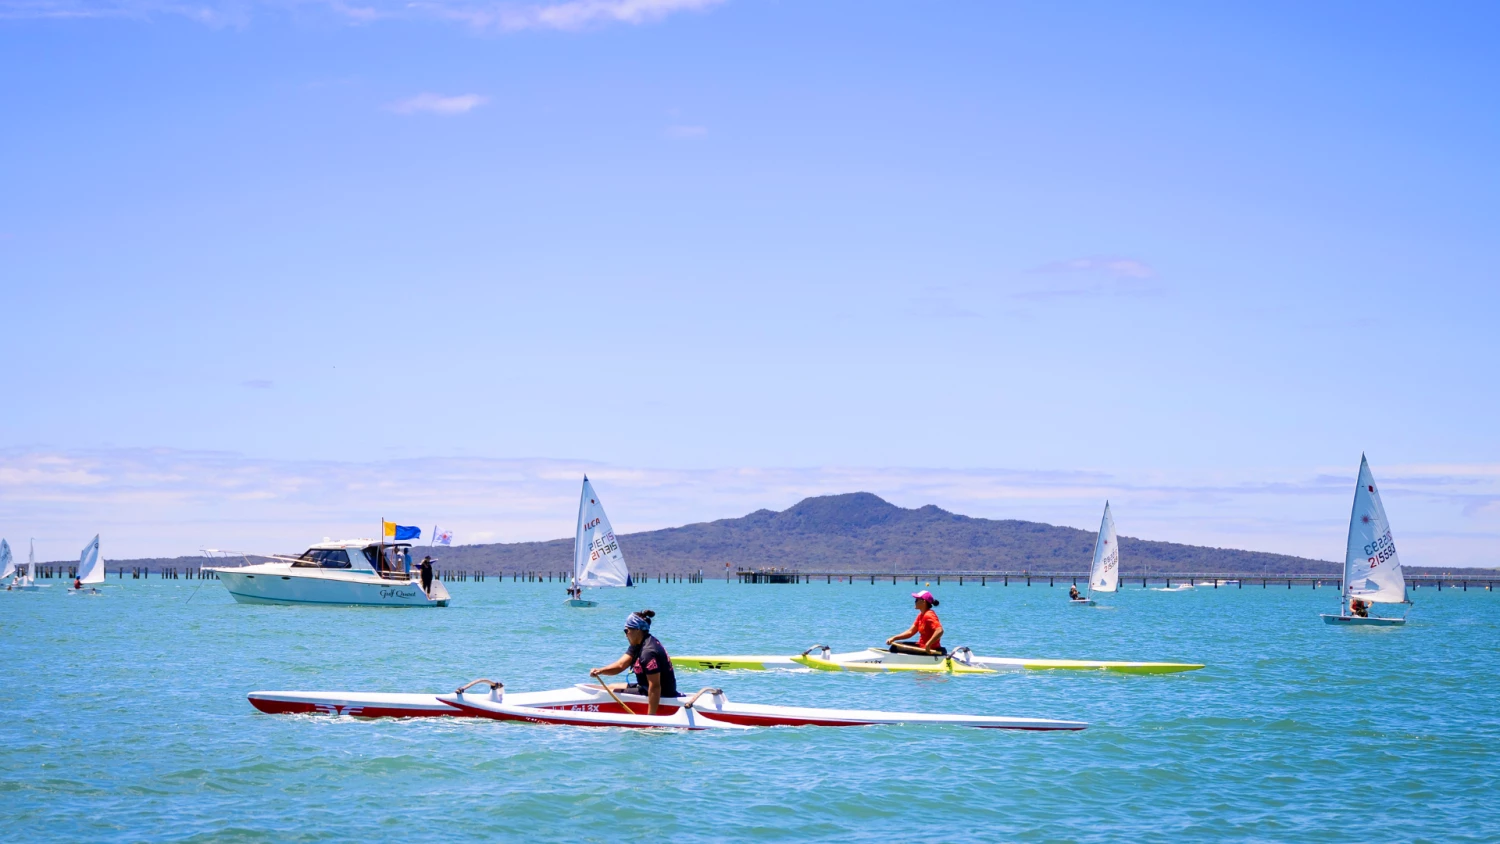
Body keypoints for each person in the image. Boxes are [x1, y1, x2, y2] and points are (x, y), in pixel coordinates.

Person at [590, 610, 678, 715]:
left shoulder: (648, 652)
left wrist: (651, 719)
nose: (626, 635)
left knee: (610, 693)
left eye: (626, 631)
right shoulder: (638, 644)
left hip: (663, 694)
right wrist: (600, 671)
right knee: (611, 687)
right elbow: (620, 665)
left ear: (637, 630)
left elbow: (655, 686)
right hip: (644, 687)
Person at [886, 591, 944, 655]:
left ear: (923, 602)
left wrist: (928, 644)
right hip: (921, 646)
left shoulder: (929, 615)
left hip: (930, 650)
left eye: (917, 600)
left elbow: (939, 630)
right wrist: (894, 638)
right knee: (895, 646)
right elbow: (910, 632)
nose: (915, 601)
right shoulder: (921, 615)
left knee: (894, 648)